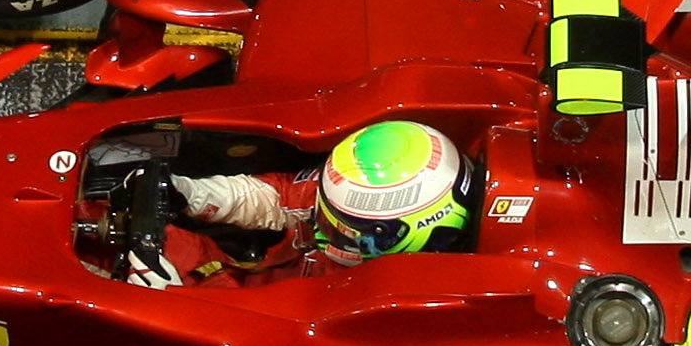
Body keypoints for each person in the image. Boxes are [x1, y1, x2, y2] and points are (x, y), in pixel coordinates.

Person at [163, 119, 483, 274]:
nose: (318, 228)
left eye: (338, 228)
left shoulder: (367, 300)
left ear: (394, 239)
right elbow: (289, 197)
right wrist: (195, 195)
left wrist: (189, 264)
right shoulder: (356, 203)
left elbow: (255, 322)